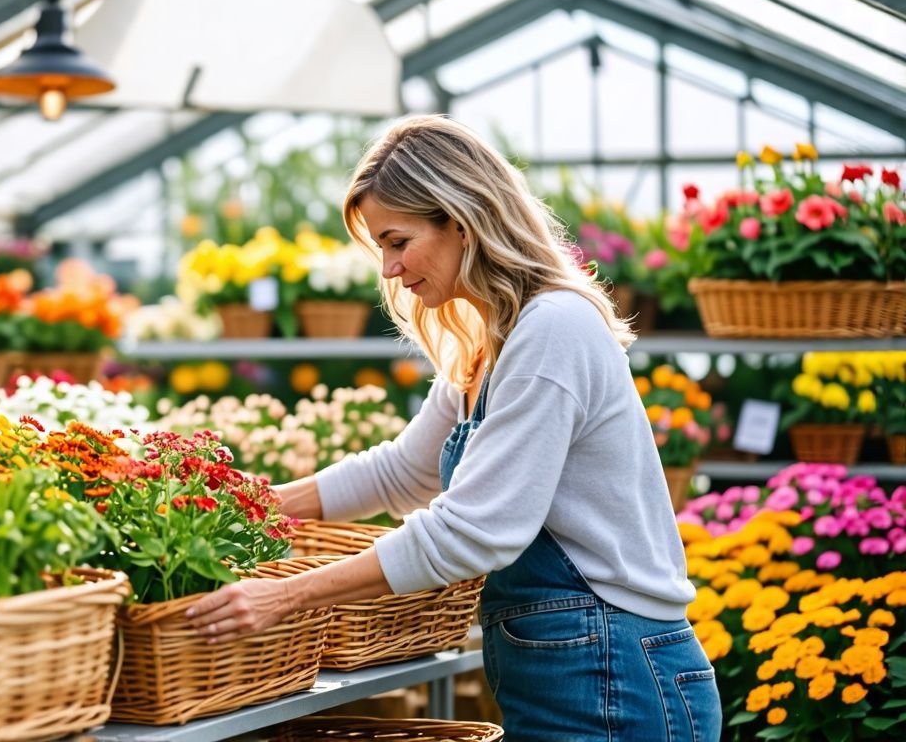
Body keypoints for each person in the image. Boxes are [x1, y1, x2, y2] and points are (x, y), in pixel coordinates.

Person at [186, 115, 721, 741]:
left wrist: (286, 596)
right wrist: (249, 506)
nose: (388, 269)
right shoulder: (488, 343)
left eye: (397, 240)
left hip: (617, 674)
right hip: (576, 667)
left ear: (459, 222)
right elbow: (402, 472)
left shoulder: (553, 330)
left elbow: (475, 531)